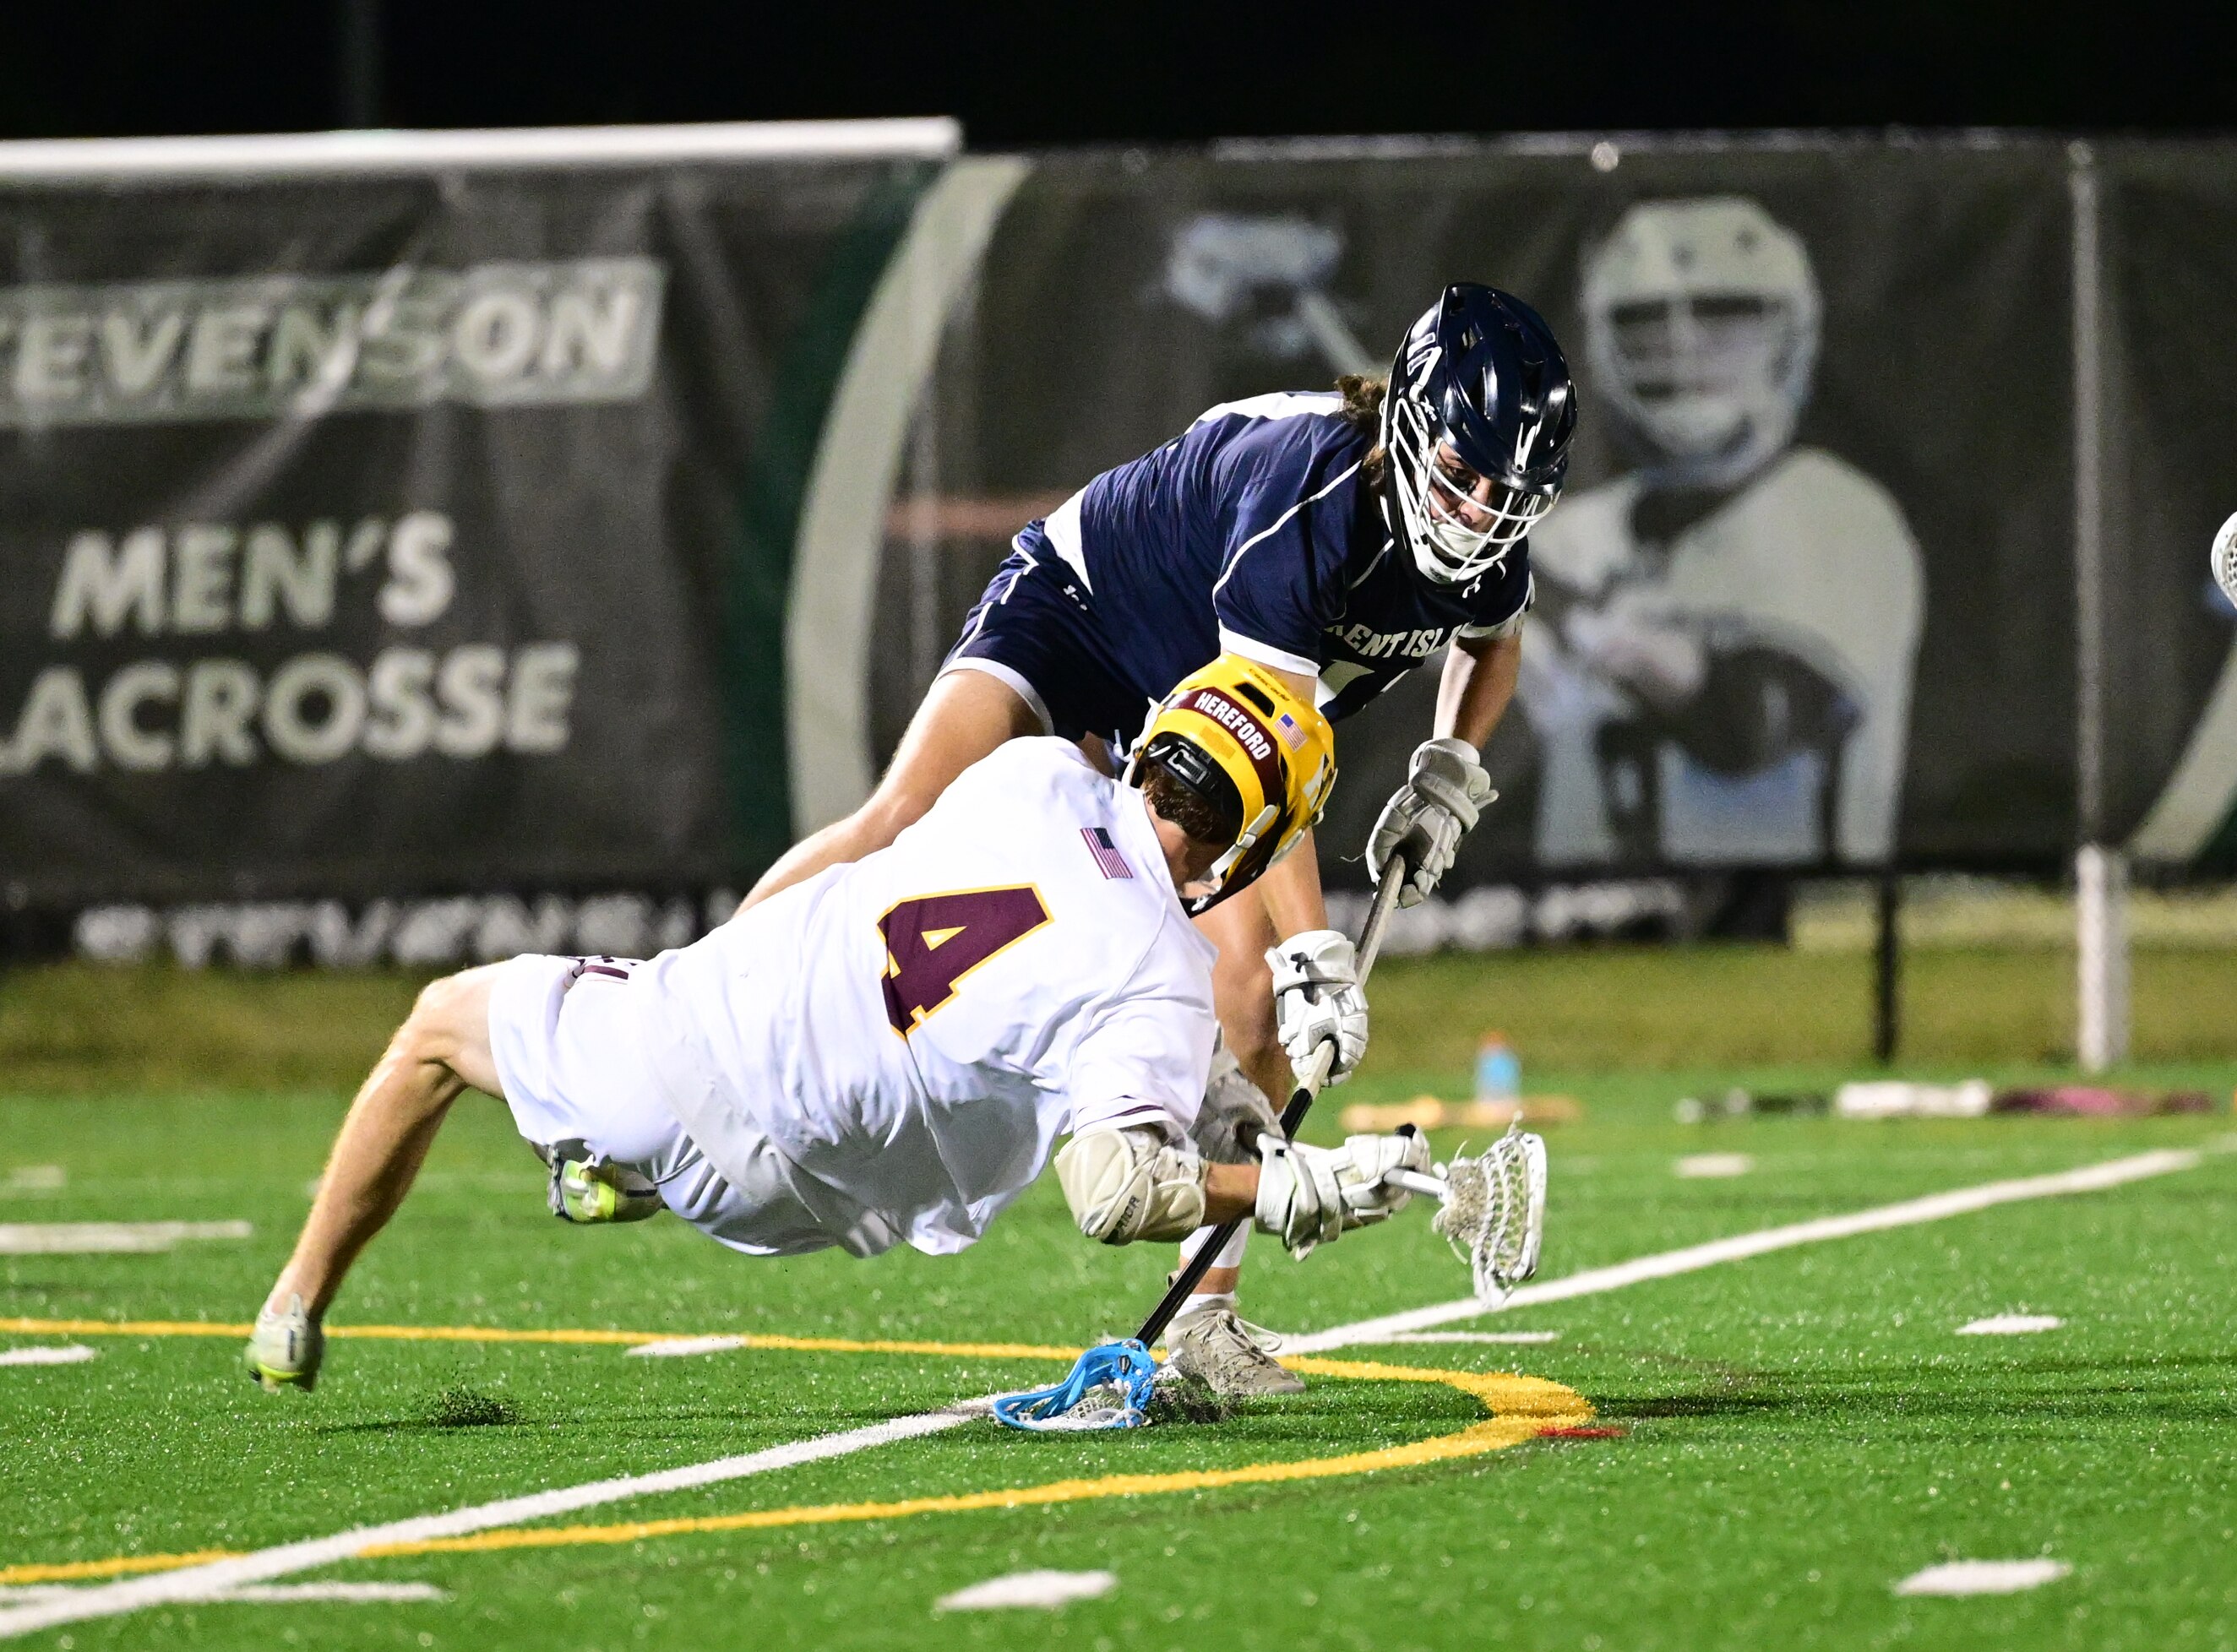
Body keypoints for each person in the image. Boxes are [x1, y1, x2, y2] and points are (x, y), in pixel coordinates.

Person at [736, 284, 1576, 1391]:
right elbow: (1262, 771)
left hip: (1204, 703)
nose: (1474, 513)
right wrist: (1319, 962)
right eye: (1461, 479)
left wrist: (1448, 774)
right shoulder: (1305, 498)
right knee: (904, 822)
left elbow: (1492, 641)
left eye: (1500, 494)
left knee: (1244, 1001)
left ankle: (1204, 1328)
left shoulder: (1479, 541)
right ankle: (705, 1010)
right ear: (1408, 431)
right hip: (1084, 616)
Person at [244, 659, 1430, 1394]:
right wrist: (1279, 1184)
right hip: (804, 1206)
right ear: (1260, 838)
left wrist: (1236, 1115)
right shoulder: (1166, 978)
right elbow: (1115, 1186)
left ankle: (295, 1305)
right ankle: (624, 1171)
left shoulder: (1030, 774)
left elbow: (1071, 947)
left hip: (680, 1060)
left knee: (435, 1032)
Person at [1521, 198, 1924, 869]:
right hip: (1587, 940)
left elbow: (1751, 724)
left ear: (1788, 335)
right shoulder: (1569, 537)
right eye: (1647, 320)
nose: (1684, 344)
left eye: (1726, 313)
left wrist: (1606, 633)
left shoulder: (1839, 516)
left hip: (1792, 927)